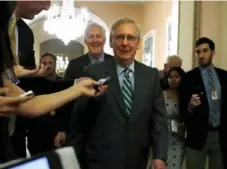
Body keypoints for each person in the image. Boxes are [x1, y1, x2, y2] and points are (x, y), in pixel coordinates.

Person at [0, 1, 106, 162]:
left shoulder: (24, 32)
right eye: (44, 0)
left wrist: (77, 86)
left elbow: (31, 99)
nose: (48, 7)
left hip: (11, 135)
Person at [67, 17, 168, 169]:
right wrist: (73, 161)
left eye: (131, 38)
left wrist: (160, 156)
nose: (125, 43)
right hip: (99, 161)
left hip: (137, 160)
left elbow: (159, 119)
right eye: (120, 37)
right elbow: (79, 121)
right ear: (111, 42)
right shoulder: (93, 72)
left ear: (138, 43)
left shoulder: (150, 75)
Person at [179, 37, 227, 169]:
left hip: (220, 136)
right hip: (197, 136)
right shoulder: (188, 78)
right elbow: (182, 111)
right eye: (198, 52)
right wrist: (190, 106)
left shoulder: (224, 76)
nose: (201, 55)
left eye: (205, 51)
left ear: (213, 52)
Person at [163, 67, 185, 169]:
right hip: (162, 137)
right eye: (170, 77)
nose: (173, 79)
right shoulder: (161, 94)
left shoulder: (185, 96)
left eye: (176, 76)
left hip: (178, 138)